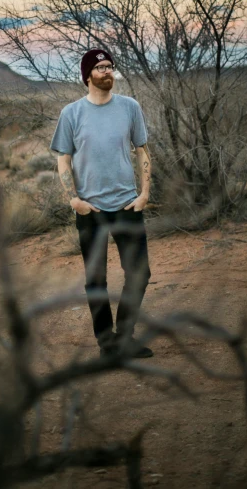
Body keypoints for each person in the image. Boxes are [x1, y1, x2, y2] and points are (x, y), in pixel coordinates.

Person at [50, 48, 153, 359]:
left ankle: (125, 337)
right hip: (90, 210)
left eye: (110, 66)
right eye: (101, 68)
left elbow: (143, 151)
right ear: (87, 76)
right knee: (96, 279)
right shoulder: (72, 114)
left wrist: (145, 193)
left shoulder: (130, 107)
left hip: (126, 204)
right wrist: (74, 200)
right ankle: (107, 344)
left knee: (139, 272)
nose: (108, 72)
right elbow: (63, 160)